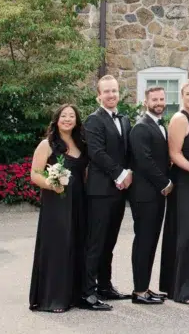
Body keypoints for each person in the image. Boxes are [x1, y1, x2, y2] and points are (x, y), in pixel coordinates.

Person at [29, 104, 88, 313]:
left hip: (79, 200)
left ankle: (73, 295)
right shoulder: (47, 144)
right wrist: (52, 184)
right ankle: (52, 298)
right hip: (57, 201)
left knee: (76, 243)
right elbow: (35, 174)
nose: (68, 119)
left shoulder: (81, 142)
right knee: (58, 246)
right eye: (64, 116)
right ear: (57, 119)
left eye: (72, 116)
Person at [81, 75, 132, 311]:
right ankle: (87, 293)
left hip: (119, 191)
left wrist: (127, 173)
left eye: (114, 90)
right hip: (100, 190)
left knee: (109, 241)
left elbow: (126, 152)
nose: (111, 95)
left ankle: (105, 286)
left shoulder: (124, 120)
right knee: (96, 241)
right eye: (107, 91)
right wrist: (119, 174)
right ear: (98, 96)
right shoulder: (94, 120)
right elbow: (96, 152)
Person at [159, 79, 189, 304]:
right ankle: (182, 289)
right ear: (182, 96)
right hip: (185, 180)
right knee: (186, 231)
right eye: (188, 94)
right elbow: (174, 154)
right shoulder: (180, 119)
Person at [127, 86, 172, 305]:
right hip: (144, 195)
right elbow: (144, 161)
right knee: (144, 241)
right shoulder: (141, 128)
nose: (159, 102)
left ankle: (145, 286)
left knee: (152, 240)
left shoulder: (159, 125)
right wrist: (165, 183)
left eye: (162, 99)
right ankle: (139, 292)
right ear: (146, 102)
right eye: (154, 99)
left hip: (156, 194)